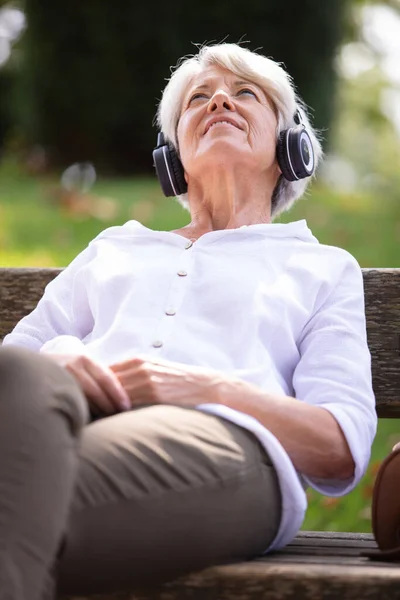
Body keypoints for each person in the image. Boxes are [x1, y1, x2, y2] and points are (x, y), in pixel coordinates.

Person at [0, 43, 377, 599]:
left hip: (230, 453)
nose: (219, 100)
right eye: (198, 98)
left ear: (290, 145)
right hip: (70, 426)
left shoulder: (321, 267)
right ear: (172, 153)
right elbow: (15, 365)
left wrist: (207, 388)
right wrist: (62, 359)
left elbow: (341, 446)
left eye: (244, 93)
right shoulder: (115, 248)